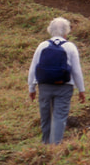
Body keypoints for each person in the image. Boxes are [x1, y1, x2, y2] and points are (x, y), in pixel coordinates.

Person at [28, 17, 86, 145]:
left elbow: (33, 69)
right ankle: (55, 147)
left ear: (50, 30)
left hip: (44, 86)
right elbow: (76, 71)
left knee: (45, 117)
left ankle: (45, 144)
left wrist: (31, 88)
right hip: (64, 87)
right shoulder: (70, 47)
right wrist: (81, 90)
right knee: (59, 117)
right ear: (66, 32)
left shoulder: (42, 46)